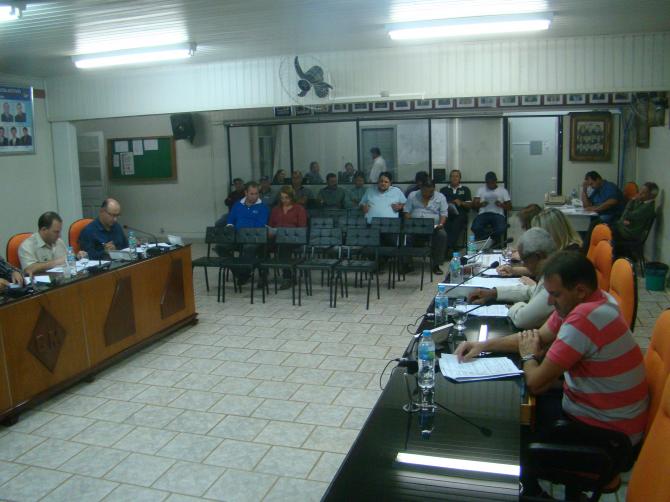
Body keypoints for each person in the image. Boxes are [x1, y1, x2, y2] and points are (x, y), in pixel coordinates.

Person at [457, 251, 649, 497]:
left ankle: (532, 494)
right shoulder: (596, 300)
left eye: (555, 294)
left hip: (607, 441)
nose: (549, 301)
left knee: (508, 437)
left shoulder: (584, 319)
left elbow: (536, 382)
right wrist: (484, 345)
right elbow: (538, 337)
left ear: (579, 290)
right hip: (601, 417)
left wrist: (528, 356)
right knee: (522, 413)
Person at [469, 228, 557, 329]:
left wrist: (515, 307)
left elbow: (522, 320)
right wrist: (493, 293)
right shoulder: (550, 271)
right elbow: (530, 291)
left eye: (524, 260)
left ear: (538, 256)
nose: (524, 265)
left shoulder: (554, 280)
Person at [498, 208, 582, 278]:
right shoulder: (560, 248)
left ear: (551, 232)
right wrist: (513, 270)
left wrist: (534, 286)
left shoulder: (571, 255)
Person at [225, 182, 270, 286]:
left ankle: (244, 274)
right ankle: (239, 271)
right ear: (246, 193)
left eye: (256, 193)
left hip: (254, 237)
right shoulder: (237, 204)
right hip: (237, 236)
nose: (254, 196)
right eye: (252, 194)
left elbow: (260, 225)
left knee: (248, 247)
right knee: (221, 247)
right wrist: (230, 225)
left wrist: (244, 231)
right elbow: (231, 219)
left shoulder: (263, 207)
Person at [19, 211, 88, 275]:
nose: (59, 235)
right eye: (56, 232)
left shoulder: (58, 241)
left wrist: (76, 257)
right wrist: (55, 262)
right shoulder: (27, 246)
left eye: (59, 231)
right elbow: (29, 269)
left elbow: (66, 260)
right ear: (44, 230)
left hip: (62, 279)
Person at [404, 179, 448, 274]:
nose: (428, 194)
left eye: (431, 191)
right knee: (405, 236)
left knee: (442, 235)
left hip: (433, 227)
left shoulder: (440, 197)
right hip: (415, 226)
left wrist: (441, 224)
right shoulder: (413, 195)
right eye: (425, 191)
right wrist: (411, 223)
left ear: (434, 189)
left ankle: (436, 264)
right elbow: (406, 212)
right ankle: (407, 263)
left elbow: (444, 214)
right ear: (421, 188)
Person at [268, 186, 308, 290]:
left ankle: (288, 277)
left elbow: (302, 228)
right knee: (262, 245)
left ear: (292, 197)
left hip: (294, 238)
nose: (284, 200)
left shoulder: (299, 209)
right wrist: (271, 232)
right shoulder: (275, 210)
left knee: (283, 246)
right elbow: (271, 225)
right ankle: (263, 275)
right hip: (277, 237)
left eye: (286, 198)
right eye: (282, 198)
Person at [471, 171, 511, 244]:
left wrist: (501, 205)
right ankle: (488, 241)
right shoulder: (480, 190)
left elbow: (510, 207)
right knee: (475, 227)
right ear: (486, 182)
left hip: (498, 214)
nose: (490, 184)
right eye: (488, 183)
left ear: (496, 181)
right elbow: (473, 206)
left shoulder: (503, 191)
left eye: (492, 182)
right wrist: (481, 204)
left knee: (501, 229)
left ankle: (491, 242)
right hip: (483, 214)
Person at [440, 169, 472, 254]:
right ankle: (449, 248)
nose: (454, 178)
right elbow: (439, 205)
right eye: (452, 176)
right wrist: (448, 204)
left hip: (461, 214)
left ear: (460, 178)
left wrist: (461, 202)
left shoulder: (465, 189)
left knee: (456, 224)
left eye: (457, 176)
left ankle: (448, 248)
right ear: (450, 178)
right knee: (445, 224)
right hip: (447, 214)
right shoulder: (443, 190)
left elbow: (470, 206)